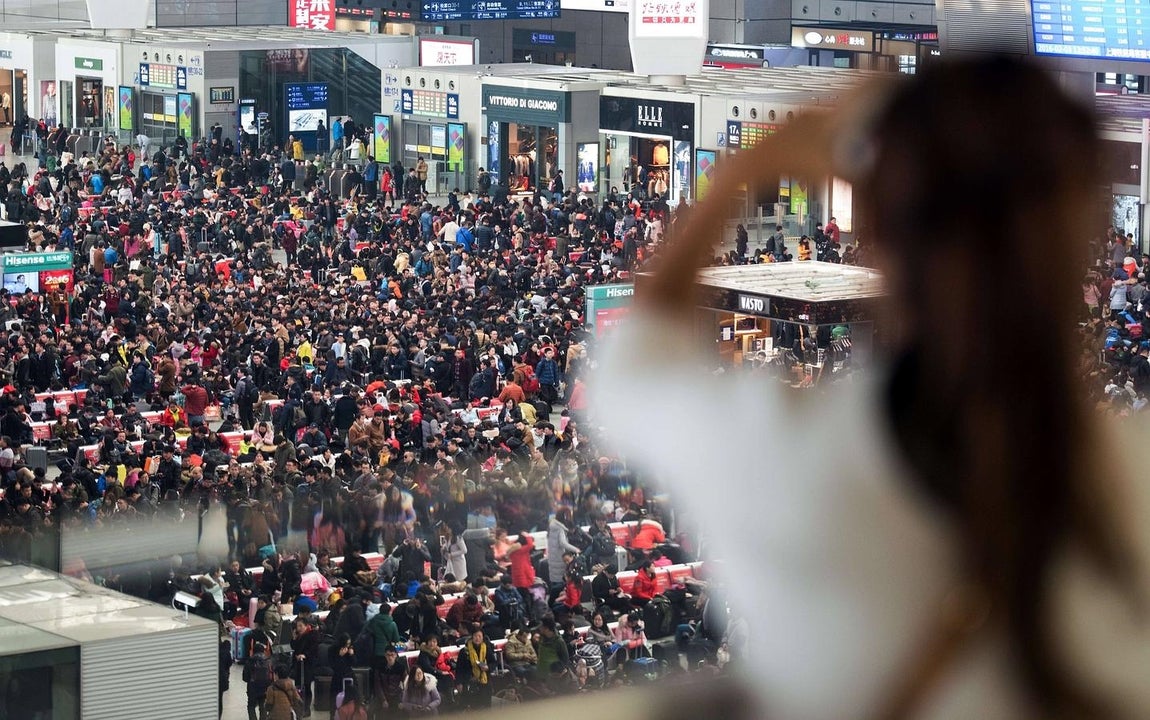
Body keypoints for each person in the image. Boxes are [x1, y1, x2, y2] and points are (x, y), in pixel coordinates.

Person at [593, 57, 1150, 719]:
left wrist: (749, 170)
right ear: (1087, 241)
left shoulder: (785, 457)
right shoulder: (1132, 474)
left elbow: (632, 372)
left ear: (877, 234)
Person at [454, 625, 494, 709]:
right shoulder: (464, 651)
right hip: (469, 680)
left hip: (484, 679)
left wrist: (488, 667)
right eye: (475, 636)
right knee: (473, 706)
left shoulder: (486, 648)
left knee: (486, 706)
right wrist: (459, 683)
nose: (477, 638)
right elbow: (459, 669)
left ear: (483, 637)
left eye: (480, 636)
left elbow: (493, 662)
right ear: (472, 637)